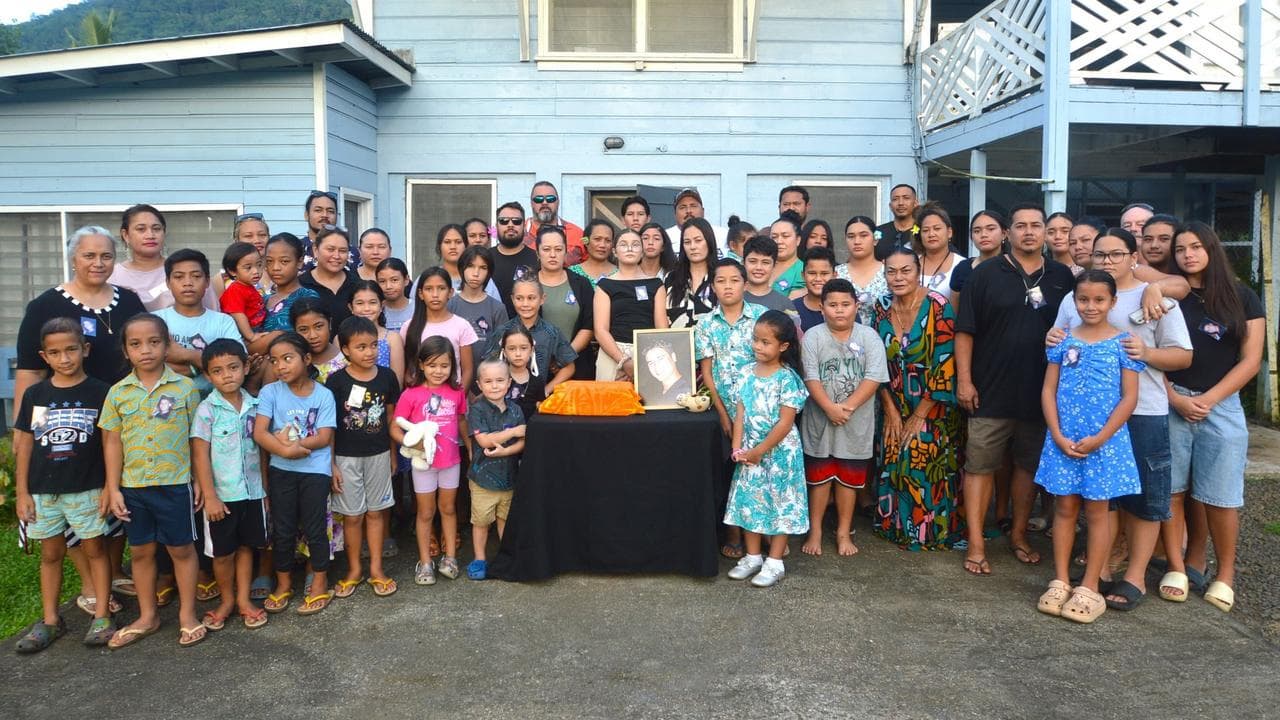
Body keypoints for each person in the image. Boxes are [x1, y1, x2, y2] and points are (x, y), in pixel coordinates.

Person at [1048, 227, 1192, 610]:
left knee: (1144, 498)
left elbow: (1183, 356)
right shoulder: (1075, 298)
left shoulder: (1159, 298)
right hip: (1084, 419)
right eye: (1100, 255)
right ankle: (1099, 573)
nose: (1107, 261)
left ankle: (1136, 577)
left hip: (1143, 409)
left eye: (1115, 254)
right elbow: (1059, 340)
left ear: (1134, 256)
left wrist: (1146, 352)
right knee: (1102, 503)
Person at [15, 226, 148, 609]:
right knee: (74, 495)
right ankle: (91, 585)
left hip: (119, 416)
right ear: (73, 258)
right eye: (89, 255)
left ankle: (113, 571)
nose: (98, 262)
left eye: (106, 255)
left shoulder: (128, 300)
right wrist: (24, 432)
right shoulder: (45, 306)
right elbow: (29, 371)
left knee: (111, 494)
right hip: (64, 419)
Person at [955, 203, 1075, 575]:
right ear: (1008, 233)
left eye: (1036, 226)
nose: (1029, 232)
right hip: (989, 389)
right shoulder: (986, 273)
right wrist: (964, 379)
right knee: (979, 467)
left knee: (1027, 467)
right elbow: (965, 330)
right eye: (1020, 226)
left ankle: (1019, 535)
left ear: (1046, 231)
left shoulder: (1063, 277)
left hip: (1042, 392)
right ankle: (976, 541)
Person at [1161, 222, 1264, 613]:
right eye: (1181, 249)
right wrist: (1175, 398)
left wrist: (1209, 399)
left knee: (1220, 496)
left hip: (1222, 405)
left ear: (1212, 249)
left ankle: (1225, 575)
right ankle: (1176, 566)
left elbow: (1251, 359)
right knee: (1172, 490)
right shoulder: (1171, 295)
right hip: (1172, 400)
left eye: (1196, 247)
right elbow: (1152, 352)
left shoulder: (1242, 297)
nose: (1188, 254)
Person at [1034, 269, 1144, 624]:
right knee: (1064, 509)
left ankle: (1090, 584)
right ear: (1073, 301)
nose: (1090, 306)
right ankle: (1061, 579)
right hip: (1063, 439)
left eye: (1099, 300)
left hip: (1104, 444)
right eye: (1083, 299)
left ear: (1113, 302)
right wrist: (1056, 433)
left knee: (1098, 512)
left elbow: (1129, 398)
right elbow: (1048, 391)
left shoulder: (1124, 343)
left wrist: (1101, 437)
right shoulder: (1062, 341)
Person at [100, 313, 204, 649]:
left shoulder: (185, 388)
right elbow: (112, 441)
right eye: (136, 344)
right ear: (126, 350)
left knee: (181, 549)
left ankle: (187, 615)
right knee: (142, 551)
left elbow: (196, 439)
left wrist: (200, 480)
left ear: (167, 345)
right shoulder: (118, 393)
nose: (146, 350)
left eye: (154, 342)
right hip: (134, 487)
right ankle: (148, 615)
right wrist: (113, 487)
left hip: (175, 485)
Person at [13, 319, 115, 652]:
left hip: (87, 488)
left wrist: (109, 486)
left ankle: (101, 614)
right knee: (51, 553)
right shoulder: (35, 394)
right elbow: (26, 444)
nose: (65, 358)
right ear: (44, 356)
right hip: (43, 491)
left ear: (85, 349)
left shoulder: (101, 392)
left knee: (95, 549)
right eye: (55, 352)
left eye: (71, 349)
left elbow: (110, 443)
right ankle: (51, 620)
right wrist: (22, 492)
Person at [874, 248, 963, 550]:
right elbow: (875, 363)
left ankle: (929, 532)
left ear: (917, 271)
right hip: (893, 399)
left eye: (905, 270)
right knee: (891, 450)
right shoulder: (881, 307)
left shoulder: (938, 306)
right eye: (891, 271)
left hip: (933, 404)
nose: (898, 278)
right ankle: (895, 527)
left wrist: (920, 414)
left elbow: (946, 363)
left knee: (920, 454)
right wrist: (891, 411)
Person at [800, 279, 888, 557]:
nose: (839, 311)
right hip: (820, 420)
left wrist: (846, 408)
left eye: (845, 304)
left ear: (856, 306)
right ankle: (815, 529)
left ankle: (843, 531)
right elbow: (810, 376)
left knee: (850, 479)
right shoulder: (813, 336)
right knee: (819, 477)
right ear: (822, 307)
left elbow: (874, 377)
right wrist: (829, 407)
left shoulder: (868, 337)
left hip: (856, 422)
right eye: (833, 305)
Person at [723, 310, 810, 587]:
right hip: (750, 451)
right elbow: (740, 412)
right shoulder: (746, 372)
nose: (758, 347)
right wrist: (738, 447)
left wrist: (760, 450)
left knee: (779, 503)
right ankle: (752, 556)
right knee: (750, 501)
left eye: (765, 342)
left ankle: (775, 561)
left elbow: (785, 423)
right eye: (756, 340)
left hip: (779, 454)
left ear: (783, 346)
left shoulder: (788, 379)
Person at [254, 332, 337, 617]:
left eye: (287, 359)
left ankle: (320, 582)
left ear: (307, 359)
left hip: (315, 472)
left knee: (315, 529)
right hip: (281, 471)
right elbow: (259, 432)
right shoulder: (270, 393)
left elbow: (324, 436)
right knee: (284, 529)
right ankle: (284, 583)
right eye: (274, 361)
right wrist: (286, 452)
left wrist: (295, 445)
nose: (280, 367)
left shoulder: (324, 394)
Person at [190, 339, 269, 631]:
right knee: (223, 553)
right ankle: (226, 600)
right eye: (218, 371)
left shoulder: (256, 406)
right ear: (208, 376)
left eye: (233, 368)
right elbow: (200, 454)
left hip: (253, 492)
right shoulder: (207, 411)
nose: (227, 375)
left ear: (246, 368)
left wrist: (266, 490)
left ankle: (244, 600)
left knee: (247, 546)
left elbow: (262, 450)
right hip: (222, 496)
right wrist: (209, 496)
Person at [326, 317, 402, 600]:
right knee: (353, 516)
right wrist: (331, 463)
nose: (368, 352)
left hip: (379, 455)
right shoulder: (336, 382)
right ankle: (354, 570)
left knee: (376, 513)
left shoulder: (387, 377)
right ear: (345, 349)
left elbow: (391, 418)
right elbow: (330, 426)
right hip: (346, 459)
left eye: (372, 345)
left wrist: (394, 454)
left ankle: (377, 569)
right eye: (360, 347)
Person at [696, 259, 765, 559]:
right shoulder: (706, 324)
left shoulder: (761, 318)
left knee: (761, 471)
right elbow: (707, 374)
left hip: (760, 408)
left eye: (734, 280)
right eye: (721, 281)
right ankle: (734, 533)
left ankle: (767, 532)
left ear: (745, 284)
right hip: (722, 411)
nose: (727, 286)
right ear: (713, 286)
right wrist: (724, 415)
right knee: (731, 472)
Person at [392, 337, 468, 586]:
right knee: (425, 512)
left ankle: (450, 558)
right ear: (421, 365)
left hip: (451, 461)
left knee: (448, 508)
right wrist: (410, 444)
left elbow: (461, 422)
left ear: (452, 366)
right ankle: (425, 561)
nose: (439, 371)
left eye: (444, 366)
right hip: (422, 463)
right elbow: (395, 427)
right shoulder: (410, 395)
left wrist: (469, 448)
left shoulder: (456, 393)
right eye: (433, 365)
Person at [152, 249, 244, 397]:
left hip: (215, 407)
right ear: (168, 283)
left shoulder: (223, 322)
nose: (188, 283)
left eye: (196, 276)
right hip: (165, 405)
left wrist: (185, 354)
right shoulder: (155, 321)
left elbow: (235, 364)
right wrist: (202, 365)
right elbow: (149, 366)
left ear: (207, 281)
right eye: (179, 277)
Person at [466, 357, 527, 581]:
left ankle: (506, 556)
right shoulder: (477, 410)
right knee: (481, 522)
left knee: (505, 520)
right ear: (480, 385)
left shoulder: (516, 410)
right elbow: (484, 442)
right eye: (488, 381)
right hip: (483, 478)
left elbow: (523, 443)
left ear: (509, 382)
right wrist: (512, 433)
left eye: (500, 380)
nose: (494, 386)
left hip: (509, 477)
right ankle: (479, 558)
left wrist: (505, 451)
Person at [110, 204, 217, 311]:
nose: (150, 235)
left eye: (156, 229)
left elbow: (212, 314)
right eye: (141, 229)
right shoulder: (112, 275)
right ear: (126, 235)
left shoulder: (187, 270)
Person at [593, 229, 664, 382]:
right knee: (610, 404)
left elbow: (662, 329)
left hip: (649, 354)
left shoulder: (656, 284)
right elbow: (600, 330)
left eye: (635, 245)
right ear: (615, 252)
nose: (630, 248)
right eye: (624, 245)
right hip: (612, 353)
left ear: (642, 251)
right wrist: (624, 361)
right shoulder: (605, 285)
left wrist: (648, 359)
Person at [484, 277, 578, 394]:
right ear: (512, 299)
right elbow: (487, 365)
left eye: (531, 298)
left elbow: (569, 367)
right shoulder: (502, 331)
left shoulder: (551, 332)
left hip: (536, 401)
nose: (525, 304)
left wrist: (546, 390)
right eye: (519, 298)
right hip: (505, 400)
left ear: (542, 299)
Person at [402, 267, 478, 390]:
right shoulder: (409, 327)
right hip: (418, 401)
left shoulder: (462, 326)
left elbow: (467, 370)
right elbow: (407, 369)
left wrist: (458, 399)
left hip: (452, 401)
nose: (435, 295)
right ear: (420, 294)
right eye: (429, 289)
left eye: (441, 288)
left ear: (450, 292)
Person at [534, 225, 595, 375]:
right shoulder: (527, 284)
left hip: (578, 365)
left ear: (566, 251)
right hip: (536, 366)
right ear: (537, 252)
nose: (553, 254)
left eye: (558, 249)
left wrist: (564, 357)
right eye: (547, 249)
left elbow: (589, 325)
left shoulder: (581, 284)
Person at [448, 246, 508, 382]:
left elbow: (501, 350)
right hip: (454, 380)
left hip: (489, 383)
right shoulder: (450, 305)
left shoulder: (497, 308)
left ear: (489, 272)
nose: (476, 273)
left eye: (483, 268)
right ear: (462, 268)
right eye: (470, 266)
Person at [254, 233, 320, 356]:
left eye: (284, 261)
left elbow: (311, 341)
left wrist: (274, 337)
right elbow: (247, 348)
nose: (275, 268)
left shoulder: (307, 298)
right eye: (269, 261)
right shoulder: (261, 301)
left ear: (300, 262)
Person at [348, 280, 406, 385]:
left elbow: (397, 383)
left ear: (382, 305)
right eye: (360, 303)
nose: (366, 308)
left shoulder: (393, 339)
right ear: (351, 307)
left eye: (372, 302)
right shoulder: (340, 338)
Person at [299, 225, 360, 327]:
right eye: (330, 249)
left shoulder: (358, 285)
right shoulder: (301, 285)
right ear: (315, 250)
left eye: (342, 251)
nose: (336, 256)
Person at [665, 218, 719, 328]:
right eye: (687, 242)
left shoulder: (720, 276)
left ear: (709, 241)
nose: (693, 247)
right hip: (676, 343)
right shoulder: (671, 278)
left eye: (698, 240)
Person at [835, 216, 889, 327]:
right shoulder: (836, 274)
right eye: (851, 236)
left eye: (863, 235)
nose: (857, 241)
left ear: (875, 239)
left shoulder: (889, 272)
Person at [949, 210, 1008, 310]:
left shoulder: (1015, 267)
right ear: (971, 237)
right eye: (977, 231)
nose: (983, 234)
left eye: (990, 229)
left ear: (1004, 234)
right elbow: (954, 312)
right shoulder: (962, 269)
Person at [491, 202, 540, 316]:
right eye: (504, 221)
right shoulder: (485, 259)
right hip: (492, 330)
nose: (510, 225)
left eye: (516, 221)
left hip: (528, 330)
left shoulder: (537, 259)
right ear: (496, 225)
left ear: (524, 226)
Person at [219, 243, 267, 348]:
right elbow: (238, 316)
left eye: (259, 265)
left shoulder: (249, 286)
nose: (256, 271)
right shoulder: (235, 290)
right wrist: (251, 336)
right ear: (232, 271)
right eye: (248, 267)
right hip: (243, 335)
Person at [525, 180, 585, 264]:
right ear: (531, 203)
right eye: (538, 199)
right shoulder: (518, 232)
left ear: (558, 202)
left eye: (550, 199)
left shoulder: (577, 234)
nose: (544, 203)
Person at [291, 297, 347, 384]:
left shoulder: (348, 361)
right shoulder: (292, 365)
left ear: (330, 324)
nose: (313, 336)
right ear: (295, 331)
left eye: (318, 326)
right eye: (304, 330)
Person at [300, 190, 359, 270]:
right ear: (306, 215)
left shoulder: (353, 253)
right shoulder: (295, 250)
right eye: (318, 210)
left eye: (330, 211)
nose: (324, 215)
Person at [916, 206, 965, 302]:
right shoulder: (910, 263)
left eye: (937, 229)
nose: (931, 234)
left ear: (949, 232)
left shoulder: (962, 264)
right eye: (925, 230)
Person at [664, 188, 730, 255]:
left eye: (693, 206)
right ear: (675, 214)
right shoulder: (665, 237)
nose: (688, 211)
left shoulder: (723, 235)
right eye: (683, 207)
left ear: (703, 211)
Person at [500, 324, 545, 420]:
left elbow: (542, 412)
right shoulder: (497, 380)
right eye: (512, 349)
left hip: (530, 432)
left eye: (523, 348)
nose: (518, 354)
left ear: (531, 350)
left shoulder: (537, 381)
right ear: (504, 353)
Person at [223, 212, 273, 296]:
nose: (257, 240)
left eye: (262, 235)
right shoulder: (224, 278)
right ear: (236, 240)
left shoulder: (278, 271)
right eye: (248, 236)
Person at [741, 236, 794, 314]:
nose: (759, 267)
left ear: (774, 266)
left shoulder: (784, 304)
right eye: (753, 261)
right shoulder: (731, 298)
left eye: (765, 262)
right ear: (743, 263)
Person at [791, 246, 836, 332]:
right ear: (803, 276)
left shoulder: (845, 310)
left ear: (834, 275)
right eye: (812, 273)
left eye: (824, 273)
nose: (818, 279)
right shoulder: (792, 309)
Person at [639, 340, 692, 406]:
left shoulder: (687, 390)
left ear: (673, 357)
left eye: (660, 359)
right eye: (651, 363)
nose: (656, 366)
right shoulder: (653, 392)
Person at [876, 184, 920, 260]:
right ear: (890, 206)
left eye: (906, 198)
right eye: (895, 199)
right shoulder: (878, 232)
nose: (900, 203)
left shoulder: (922, 231)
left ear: (915, 204)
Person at [573, 219, 619, 287]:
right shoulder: (573, 272)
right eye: (597, 239)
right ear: (586, 241)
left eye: (608, 240)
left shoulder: (620, 272)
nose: (602, 245)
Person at [769, 212, 805, 296]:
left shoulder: (804, 270)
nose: (779, 241)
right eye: (774, 237)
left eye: (785, 236)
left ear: (798, 240)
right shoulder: (761, 266)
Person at [375, 258, 415, 332]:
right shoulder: (375, 310)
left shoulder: (418, 308)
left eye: (394, 280)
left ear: (406, 280)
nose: (388, 286)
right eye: (382, 281)